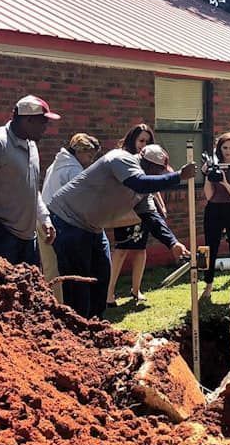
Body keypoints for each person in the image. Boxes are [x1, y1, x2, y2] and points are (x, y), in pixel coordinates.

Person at [49, 141, 193, 317]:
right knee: (79, 283)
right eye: (157, 171)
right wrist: (179, 176)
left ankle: (95, 325)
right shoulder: (120, 158)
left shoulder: (142, 187)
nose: (158, 176)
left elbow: (151, 217)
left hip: (92, 227)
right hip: (68, 220)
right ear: (146, 164)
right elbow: (140, 183)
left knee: (101, 279)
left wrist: (173, 243)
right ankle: (77, 330)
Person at [0, 95, 59, 266]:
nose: (46, 127)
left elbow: (31, 187)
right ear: (28, 120)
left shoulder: (31, 145)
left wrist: (44, 218)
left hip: (28, 238)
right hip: (0, 236)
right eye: (43, 122)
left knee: (31, 290)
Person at [106, 125, 169, 307]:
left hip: (144, 211)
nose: (144, 145)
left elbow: (150, 183)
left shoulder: (149, 161)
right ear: (132, 140)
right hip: (127, 211)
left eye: (147, 142)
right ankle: (109, 292)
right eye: (141, 140)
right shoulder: (124, 158)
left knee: (141, 249)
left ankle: (136, 289)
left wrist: (160, 204)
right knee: (122, 249)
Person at [40, 133, 101, 299]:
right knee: (66, 269)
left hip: (45, 218)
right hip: (61, 222)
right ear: (79, 151)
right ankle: (63, 304)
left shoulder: (56, 164)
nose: (91, 160)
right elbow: (81, 202)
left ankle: (54, 301)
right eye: (89, 156)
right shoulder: (73, 170)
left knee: (51, 266)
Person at [201, 132, 230, 300]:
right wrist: (208, 176)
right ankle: (207, 285)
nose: (228, 151)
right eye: (224, 147)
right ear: (219, 148)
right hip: (213, 210)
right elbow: (209, 196)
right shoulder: (214, 163)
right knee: (210, 249)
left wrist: (224, 182)